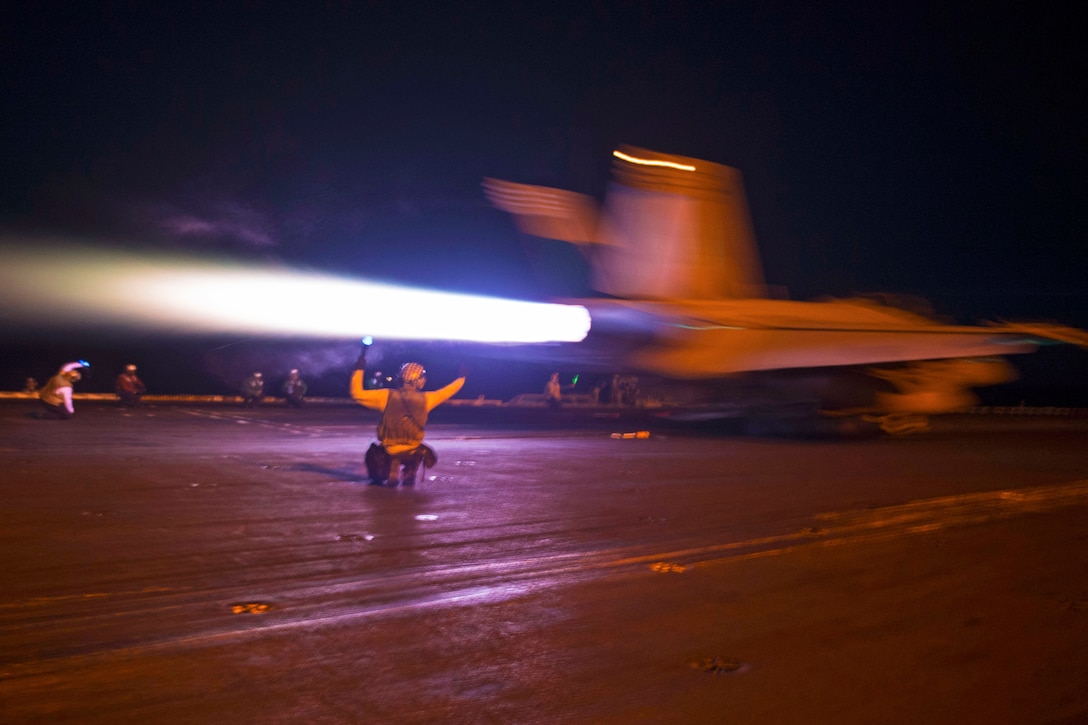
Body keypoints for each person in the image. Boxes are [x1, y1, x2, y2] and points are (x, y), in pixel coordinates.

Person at [350, 340, 465, 486]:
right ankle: (409, 472)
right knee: (421, 451)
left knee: (374, 452)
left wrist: (359, 368)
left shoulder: (386, 396)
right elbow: (447, 391)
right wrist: (462, 379)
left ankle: (390, 467)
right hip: (412, 449)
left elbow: (356, 393)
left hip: (389, 449)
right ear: (418, 381)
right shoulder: (427, 399)